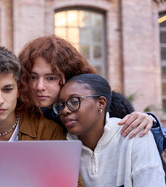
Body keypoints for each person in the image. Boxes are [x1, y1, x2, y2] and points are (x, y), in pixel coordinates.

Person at [53, 73, 166, 187]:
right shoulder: (63, 149)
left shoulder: (135, 135)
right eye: (61, 105)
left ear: (101, 103)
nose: (65, 110)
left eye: (74, 102)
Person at [17, 35, 166, 153]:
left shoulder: (112, 104)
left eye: (51, 78)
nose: (39, 87)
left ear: (70, 75)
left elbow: (146, 151)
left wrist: (148, 123)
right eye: (33, 77)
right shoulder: (22, 112)